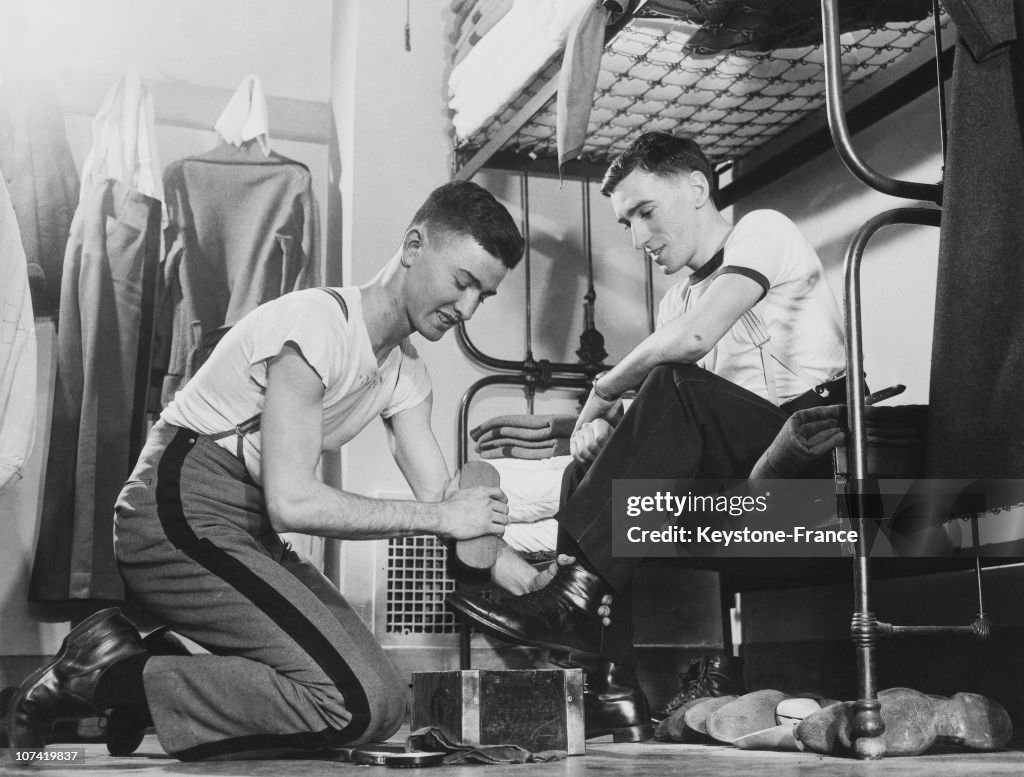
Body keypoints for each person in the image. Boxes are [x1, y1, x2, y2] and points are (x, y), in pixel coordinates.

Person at [6, 181, 524, 762]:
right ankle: (107, 681)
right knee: (347, 701)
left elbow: (449, 505)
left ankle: (133, 677)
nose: (469, 308)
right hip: (173, 511)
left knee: (381, 706)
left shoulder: (406, 373)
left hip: (247, 528)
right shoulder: (316, 327)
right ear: (412, 246)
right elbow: (296, 504)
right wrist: (440, 516)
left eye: (487, 295)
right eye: (463, 282)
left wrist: (543, 588)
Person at [447, 132, 848, 740]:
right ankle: (611, 684)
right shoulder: (678, 300)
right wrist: (589, 429)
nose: (637, 238)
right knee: (599, 462)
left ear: (695, 189)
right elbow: (660, 419)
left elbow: (690, 350)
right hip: (739, 470)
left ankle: (573, 598)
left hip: (809, 453)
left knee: (674, 381)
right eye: (625, 221)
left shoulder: (761, 231)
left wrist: (605, 390)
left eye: (644, 212)